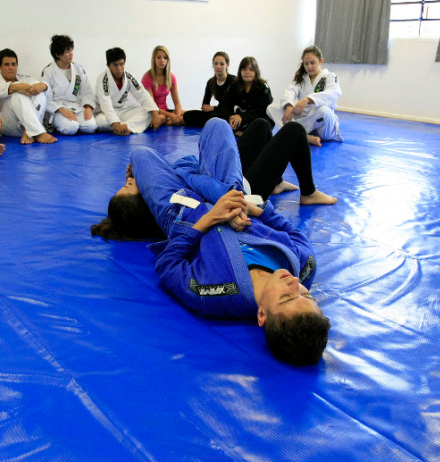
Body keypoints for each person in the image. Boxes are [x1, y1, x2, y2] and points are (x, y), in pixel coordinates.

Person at [91, 118, 333, 365]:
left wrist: (210, 218)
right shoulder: (304, 267)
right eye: (307, 296)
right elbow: (293, 232)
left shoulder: (215, 292)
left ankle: (190, 176)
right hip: (234, 195)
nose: (294, 284)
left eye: (287, 297)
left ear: (262, 315)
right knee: (217, 124)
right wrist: (254, 210)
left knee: (141, 155)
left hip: (183, 209)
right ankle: (194, 176)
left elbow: (168, 265)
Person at [267, 45, 343, 146]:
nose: (309, 66)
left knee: (324, 110)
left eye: (312, 63)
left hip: (323, 126)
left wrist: (308, 99)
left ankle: (295, 132)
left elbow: (333, 93)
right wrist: (288, 105)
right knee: (272, 107)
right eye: (306, 63)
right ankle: (304, 136)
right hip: (304, 117)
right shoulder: (301, 78)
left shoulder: (330, 76)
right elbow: (290, 91)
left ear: (320, 61)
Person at [0, 48, 57, 145]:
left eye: (13, 64)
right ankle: (36, 131)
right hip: (8, 124)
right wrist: (16, 87)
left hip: (26, 126)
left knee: (40, 92)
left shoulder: (25, 78)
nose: (11, 67)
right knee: (17, 94)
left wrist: (43, 85)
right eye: (7, 64)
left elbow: (39, 86)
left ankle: (29, 130)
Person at [95, 47, 164, 135]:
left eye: (121, 64)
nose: (119, 69)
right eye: (115, 65)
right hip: (106, 113)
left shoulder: (129, 77)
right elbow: (106, 105)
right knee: (100, 121)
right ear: (108, 65)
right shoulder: (102, 79)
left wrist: (155, 113)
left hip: (123, 111)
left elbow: (142, 94)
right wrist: (115, 124)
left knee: (148, 112)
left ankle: (125, 128)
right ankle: (122, 127)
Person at [42, 34, 98, 135]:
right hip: (58, 109)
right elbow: (46, 99)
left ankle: (77, 123)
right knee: (71, 127)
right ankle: (57, 123)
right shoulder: (48, 71)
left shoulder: (78, 69)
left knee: (91, 126)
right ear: (58, 54)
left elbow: (87, 91)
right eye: (67, 51)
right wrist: (60, 109)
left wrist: (88, 108)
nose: (71, 54)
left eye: (71, 50)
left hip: (76, 106)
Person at [218, 56, 273, 135]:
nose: (247, 72)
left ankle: (242, 133)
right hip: (238, 119)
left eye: (251, 69)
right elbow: (224, 104)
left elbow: (263, 110)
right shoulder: (234, 85)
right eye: (244, 69)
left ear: (256, 71)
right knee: (215, 116)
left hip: (255, 118)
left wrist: (242, 117)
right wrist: (231, 118)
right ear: (240, 71)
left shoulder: (263, 87)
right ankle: (238, 131)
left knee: (262, 123)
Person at [183, 51, 237, 127]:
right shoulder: (211, 82)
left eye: (222, 64)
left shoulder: (233, 81)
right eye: (216, 64)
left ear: (227, 65)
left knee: (212, 117)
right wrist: (209, 108)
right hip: (217, 112)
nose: (218, 67)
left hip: (229, 113)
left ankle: (212, 123)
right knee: (187, 115)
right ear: (213, 65)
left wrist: (213, 108)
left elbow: (230, 106)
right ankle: (210, 123)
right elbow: (205, 105)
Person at [141, 45, 183, 125]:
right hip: (152, 112)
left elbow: (177, 102)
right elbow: (151, 105)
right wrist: (170, 115)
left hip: (165, 111)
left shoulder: (171, 77)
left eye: (165, 58)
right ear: (154, 59)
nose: (162, 60)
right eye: (159, 57)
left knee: (186, 114)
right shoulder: (147, 78)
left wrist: (177, 116)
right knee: (162, 118)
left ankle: (169, 121)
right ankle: (167, 120)